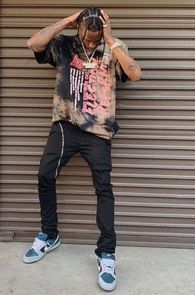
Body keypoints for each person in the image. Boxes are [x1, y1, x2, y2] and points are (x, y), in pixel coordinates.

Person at [22, 6, 141, 292]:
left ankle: (107, 253)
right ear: (79, 30)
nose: (91, 43)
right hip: (65, 124)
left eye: (95, 38)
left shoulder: (112, 47)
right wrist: (66, 21)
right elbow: (33, 43)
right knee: (44, 176)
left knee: (104, 189)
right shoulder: (64, 45)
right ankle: (50, 234)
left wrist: (110, 39)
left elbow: (135, 74)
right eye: (88, 39)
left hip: (99, 132)